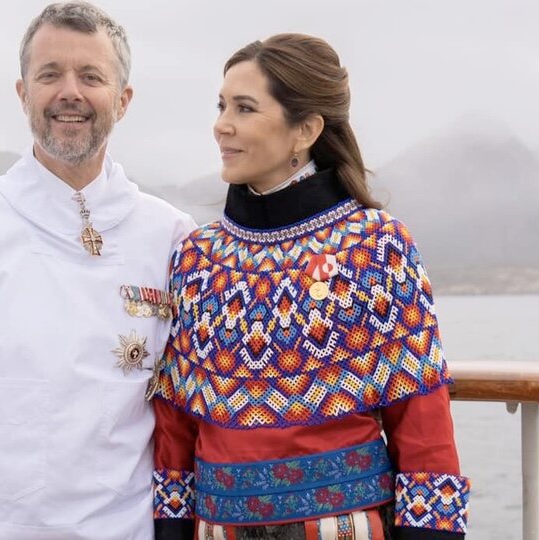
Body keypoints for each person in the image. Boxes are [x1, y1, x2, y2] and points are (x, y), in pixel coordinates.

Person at [0, 2, 195, 538]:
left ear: (122, 100)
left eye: (91, 76)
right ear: (23, 93)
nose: (69, 92)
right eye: (49, 74)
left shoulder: (170, 237)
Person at [151, 34, 470, 540]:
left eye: (245, 108)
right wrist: (169, 528)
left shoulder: (375, 247)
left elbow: (422, 421)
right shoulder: (198, 258)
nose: (221, 125)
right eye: (221, 105)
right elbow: (176, 424)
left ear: (305, 130)